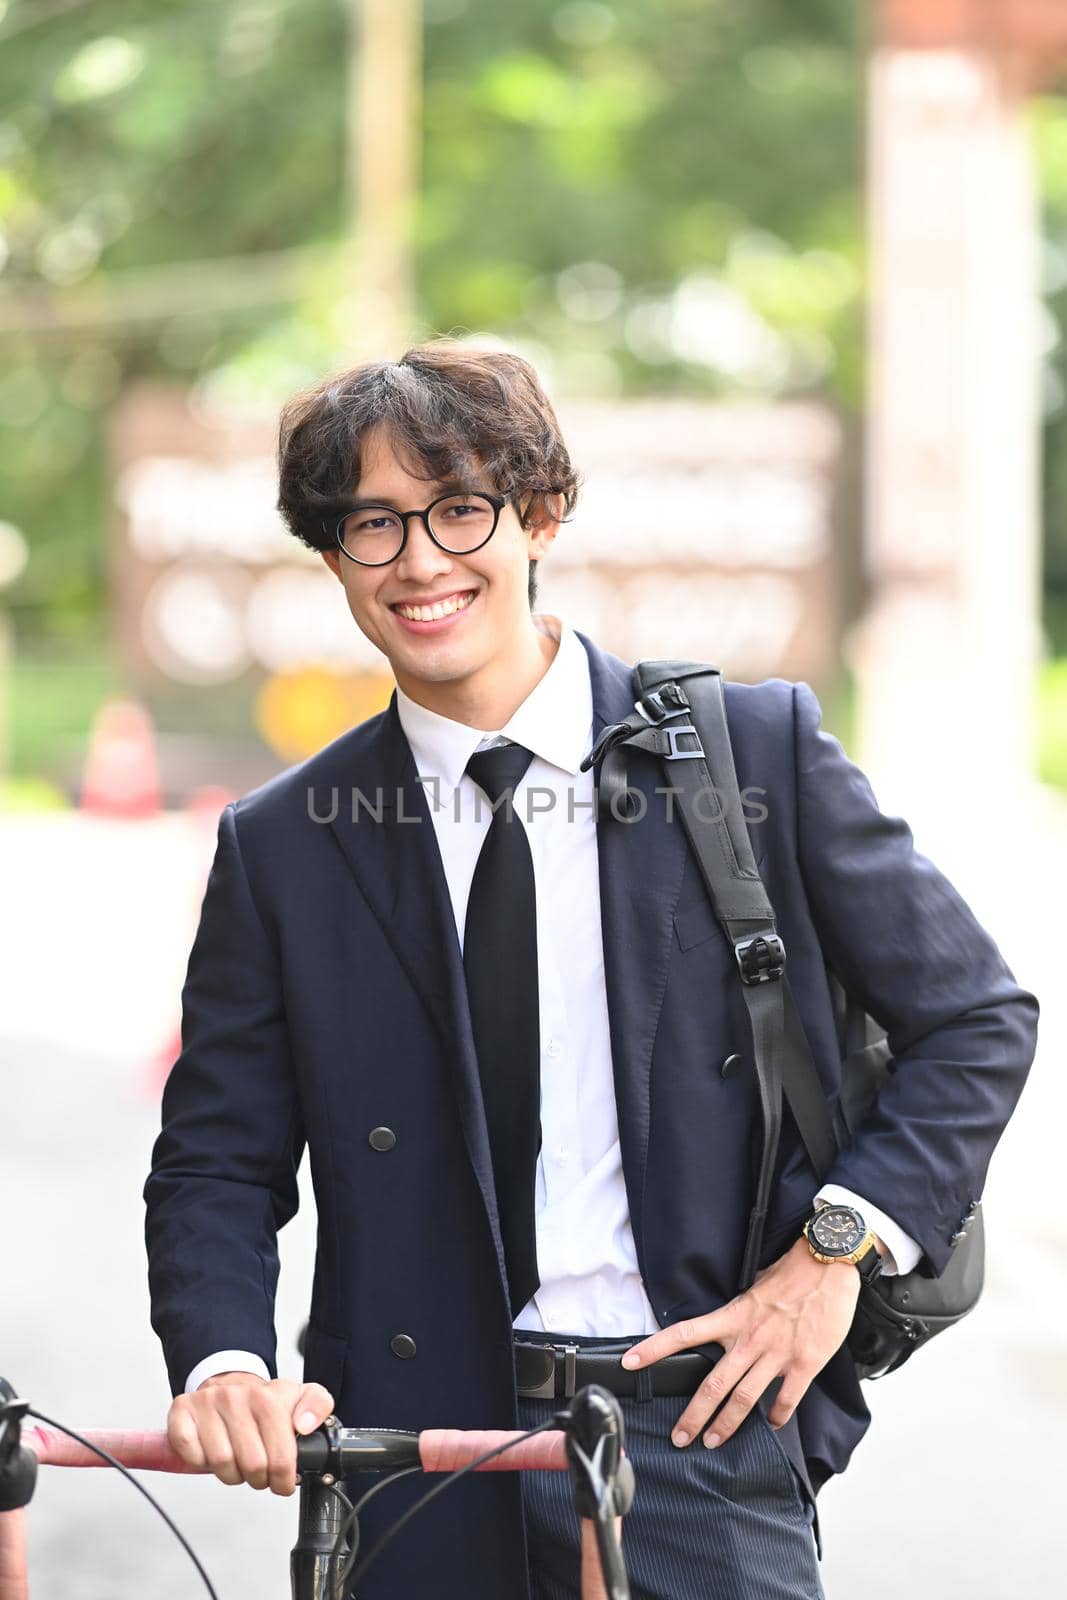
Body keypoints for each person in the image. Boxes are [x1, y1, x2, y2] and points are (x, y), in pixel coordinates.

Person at [144, 341, 1040, 1599]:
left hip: (700, 1436)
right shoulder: (284, 840)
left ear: (539, 512)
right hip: (409, 1461)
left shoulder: (749, 752)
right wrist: (222, 1361)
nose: (418, 560)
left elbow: (974, 1017)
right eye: (370, 525)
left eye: (458, 508)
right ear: (330, 553)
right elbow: (216, 1160)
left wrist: (830, 1254)